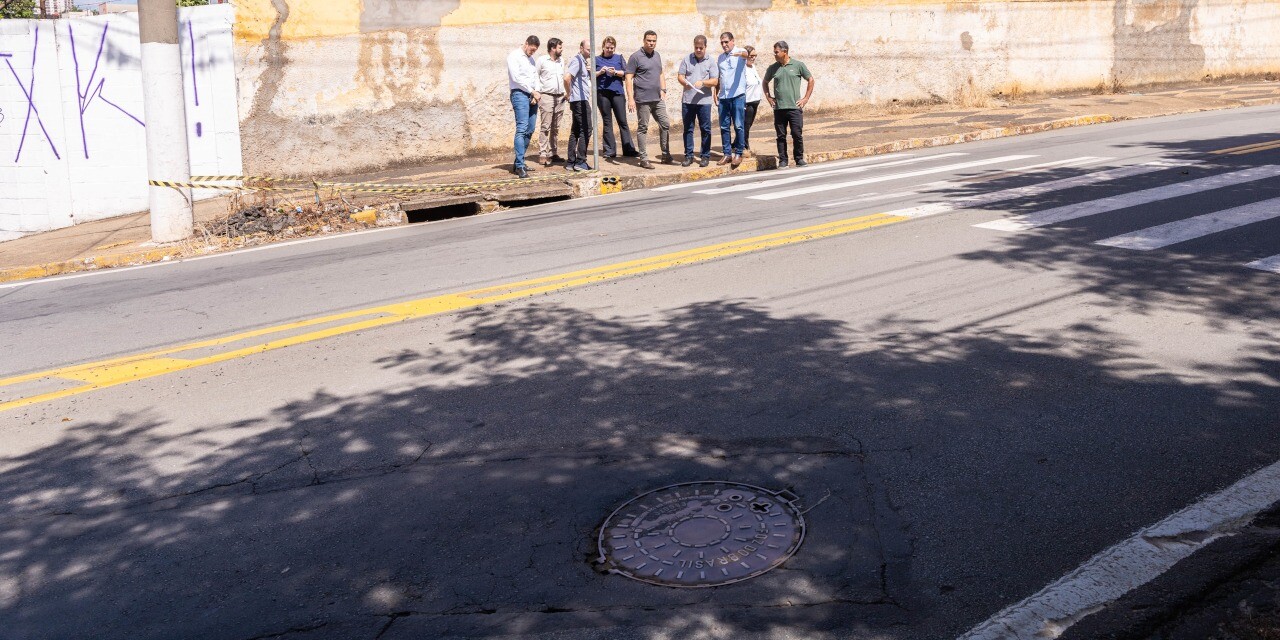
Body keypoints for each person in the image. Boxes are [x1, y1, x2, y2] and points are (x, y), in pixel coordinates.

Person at [763, 40, 815, 169]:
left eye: (776, 52)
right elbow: (764, 82)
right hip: (779, 108)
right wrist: (769, 98)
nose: (774, 54)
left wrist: (805, 99)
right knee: (781, 136)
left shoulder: (798, 65)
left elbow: (810, 79)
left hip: (794, 108)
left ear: (784, 51)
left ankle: (799, 158)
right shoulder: (773, 68)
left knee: (797, 134)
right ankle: (783, 160)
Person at [625, 30, 672, 169]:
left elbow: (661, 73)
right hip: (642, 99)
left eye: (654, 41)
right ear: (644, 41)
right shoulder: (635, 57)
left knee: (665, 124)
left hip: (657, 99)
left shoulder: (657, 55)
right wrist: (630, 99)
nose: (651, 43)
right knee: (643, 128)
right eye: (649, 40)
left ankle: (665, 154)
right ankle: (644, 159)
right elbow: (628, 78)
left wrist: (663, 89)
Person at [677, 35, 716, 167]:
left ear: (705, 47)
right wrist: (684, 82)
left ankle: (705, 156)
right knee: (688, 129)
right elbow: (680, 76)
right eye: (696, 47)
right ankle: (688, 156)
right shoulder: (687, 59)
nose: (698, 50)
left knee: (705, 129)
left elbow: (715, 81)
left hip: (704, 102)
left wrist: (703, 82)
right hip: (688, 101)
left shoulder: (710, 61)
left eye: (701, 48)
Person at [595, 36, 637, 159]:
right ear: (603, 47)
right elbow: (591, 75)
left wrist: (616, 72)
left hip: (617, 93)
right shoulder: (596, 59)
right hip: (602, 94)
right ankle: (609, 150)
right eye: (607, 48)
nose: (609, 50)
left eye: (612, 48)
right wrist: (600, 72)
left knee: (622, 121)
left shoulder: (619, 58)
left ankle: (628, 149)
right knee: (607, 121)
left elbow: (627, 73)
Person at [507, 35, 541, 178]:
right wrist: (531, 91)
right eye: (531, 49)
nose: (532, 52)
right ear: (526, 44)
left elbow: (535, 77)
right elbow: (516, 77)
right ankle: (520, 165)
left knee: (530, 128)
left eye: (534, 51)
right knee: (521, 128)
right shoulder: (514, 56)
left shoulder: (531, 60)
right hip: (519, 94)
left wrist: (536, 92)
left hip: (531, 95)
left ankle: (518, 162)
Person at [715, 31, 750, 168]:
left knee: (738, 125)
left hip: (737, 96)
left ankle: (739, 153)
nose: (724, 45)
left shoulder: (739, 53)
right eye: (722, 42)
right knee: (724, 126)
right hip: (724, 96)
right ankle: (727, 153)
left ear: (732, 41)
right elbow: (720, 77)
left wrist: (741, 54)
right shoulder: (720, 58)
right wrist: (716, 93)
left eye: (726, 42)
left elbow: (746, 55)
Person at [563, 39, 594, 172]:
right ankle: (580, 161)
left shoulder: (582, 61)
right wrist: (569, 93)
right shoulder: (577, 60)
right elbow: (567, 78)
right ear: (581, 48)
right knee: (586, 129)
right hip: (580, 100)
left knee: (576, 130)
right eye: (588, 49)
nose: (590, 52)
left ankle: (571, 162)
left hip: (578, 100)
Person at [536, 38, 568, 167]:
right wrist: (537, 93)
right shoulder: (542, 60)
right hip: (547, 96)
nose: (562, 50)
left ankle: (553, 152)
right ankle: (543, 153)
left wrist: (566, 92)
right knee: (546, 127)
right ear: (553, 48)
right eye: (560, 47)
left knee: (556, 127)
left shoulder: (561, 61)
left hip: (560, 97)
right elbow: (535, 77)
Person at [742, 45, 764, 155]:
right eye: (751, 56)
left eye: (755, 56)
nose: (753, 58)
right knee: (746, 125)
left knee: (749, 124)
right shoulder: (743, 68)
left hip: (755, 100)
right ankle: (745, 146)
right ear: (746, 56)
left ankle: (737, 142)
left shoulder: (753, 67)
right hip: (748, 101)